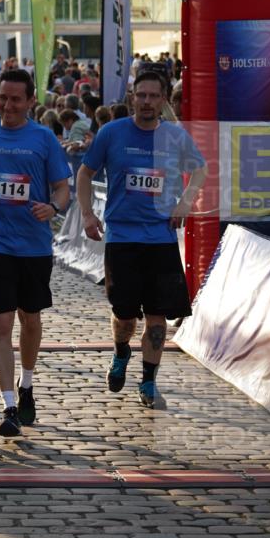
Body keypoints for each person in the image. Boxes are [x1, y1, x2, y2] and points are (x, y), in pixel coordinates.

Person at [76, 71, 207, 409]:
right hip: (122, 236)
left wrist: (186, 200)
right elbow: (85, 173)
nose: (147, 102)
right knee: (124, 315)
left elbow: (201, 169)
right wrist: (88, 215)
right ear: (132, 97)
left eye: (153, 96)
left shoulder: (175, 137)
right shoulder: (112, 133)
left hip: (160, 239)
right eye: (141, 95)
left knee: (157, 315)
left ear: (164, 99)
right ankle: (121, 352)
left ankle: (148, 381)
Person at [0, 69, 71, 436]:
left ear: (30, 101)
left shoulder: (43, 139)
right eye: (2, 97)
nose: (7, 105)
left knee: (30, 318)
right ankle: (8, 406)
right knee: (2, 323)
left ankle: (27, 384)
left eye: (15, 99)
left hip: (34, 245)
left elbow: (63, 189)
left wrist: (53, 208)